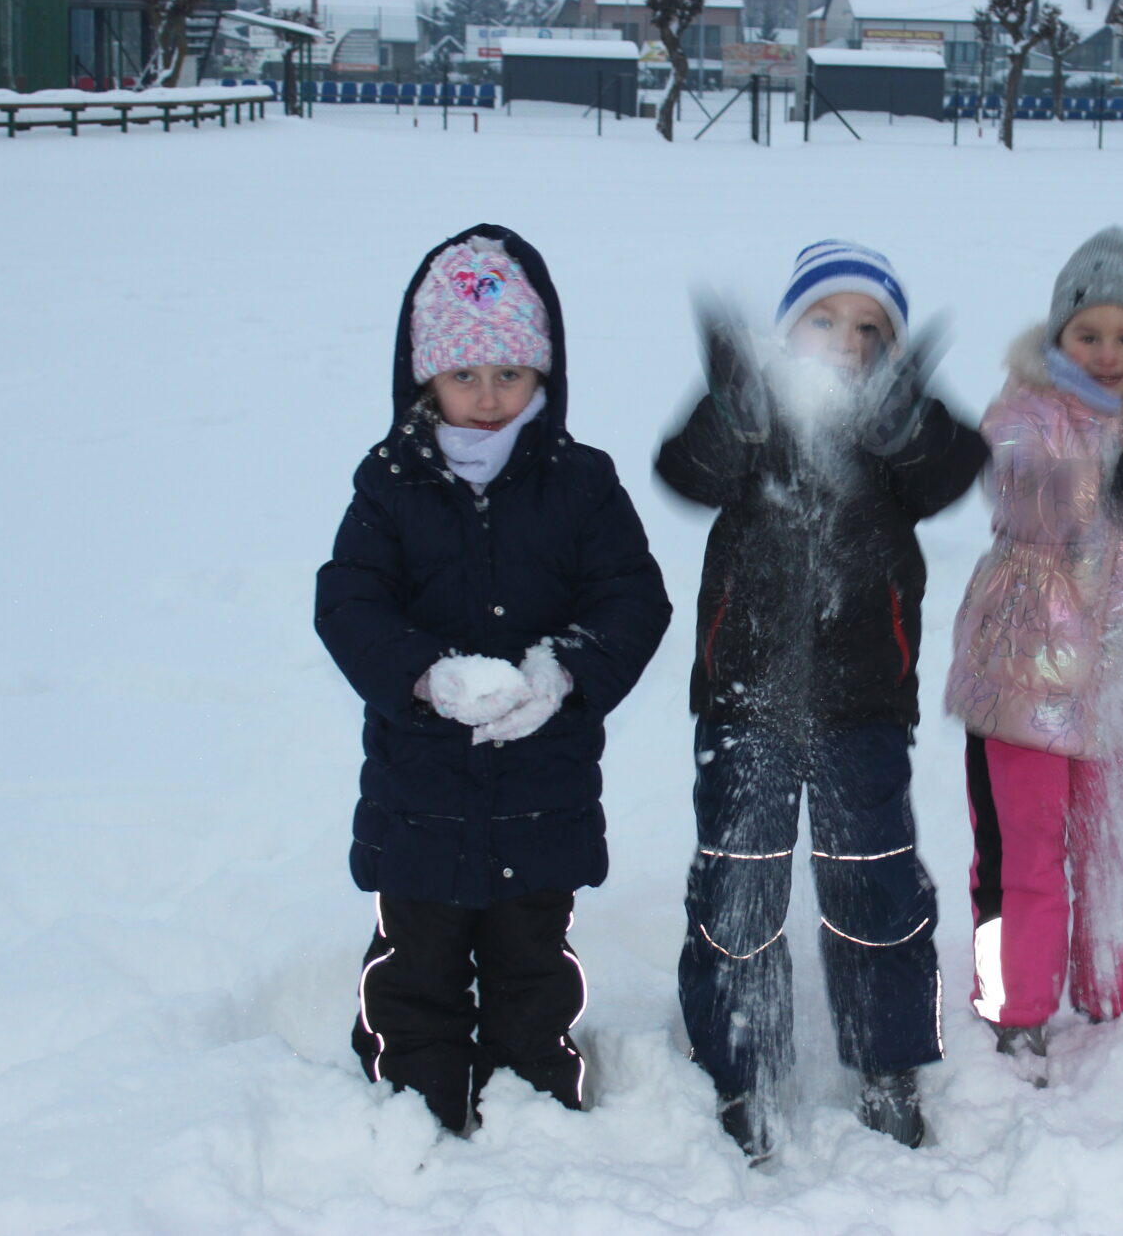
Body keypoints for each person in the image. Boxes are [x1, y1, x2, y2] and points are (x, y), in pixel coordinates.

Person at [316, 225, 671, 1134]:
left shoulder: (581, 483)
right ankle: (414, 1102)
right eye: (464, 375)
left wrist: (563, 673)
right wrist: (425, 677)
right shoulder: (392, 483)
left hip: (540, 789)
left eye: (508, 375)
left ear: (543, 376)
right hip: (419, 790)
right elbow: (349, 600)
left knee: (531, 958)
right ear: (426, 376)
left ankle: (532, 1098)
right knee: (416, 958)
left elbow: (634, 597)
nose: (486, 397)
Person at [656, 241, 987, 1161]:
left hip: (862, 708)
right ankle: (739, 1063)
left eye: (871, 329)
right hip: (744, 705)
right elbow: (683, 471)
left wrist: (907, 421)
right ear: (787, 331)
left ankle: (885, 1062)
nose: (847, 341)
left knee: (873, 886)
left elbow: (955, 468)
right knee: (737, 885)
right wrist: (732, 411)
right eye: (825, 320)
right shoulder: (755, 415)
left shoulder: (890, 429)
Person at [947, 227, 1123, 1082]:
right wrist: (1103, 485)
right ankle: (1014, 1008)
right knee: (1024, 857)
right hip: (1024, 689)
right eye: (1087, 334)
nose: (1106, 353)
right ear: (1058, 337)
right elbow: (1021, 486)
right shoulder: (1023, 411)